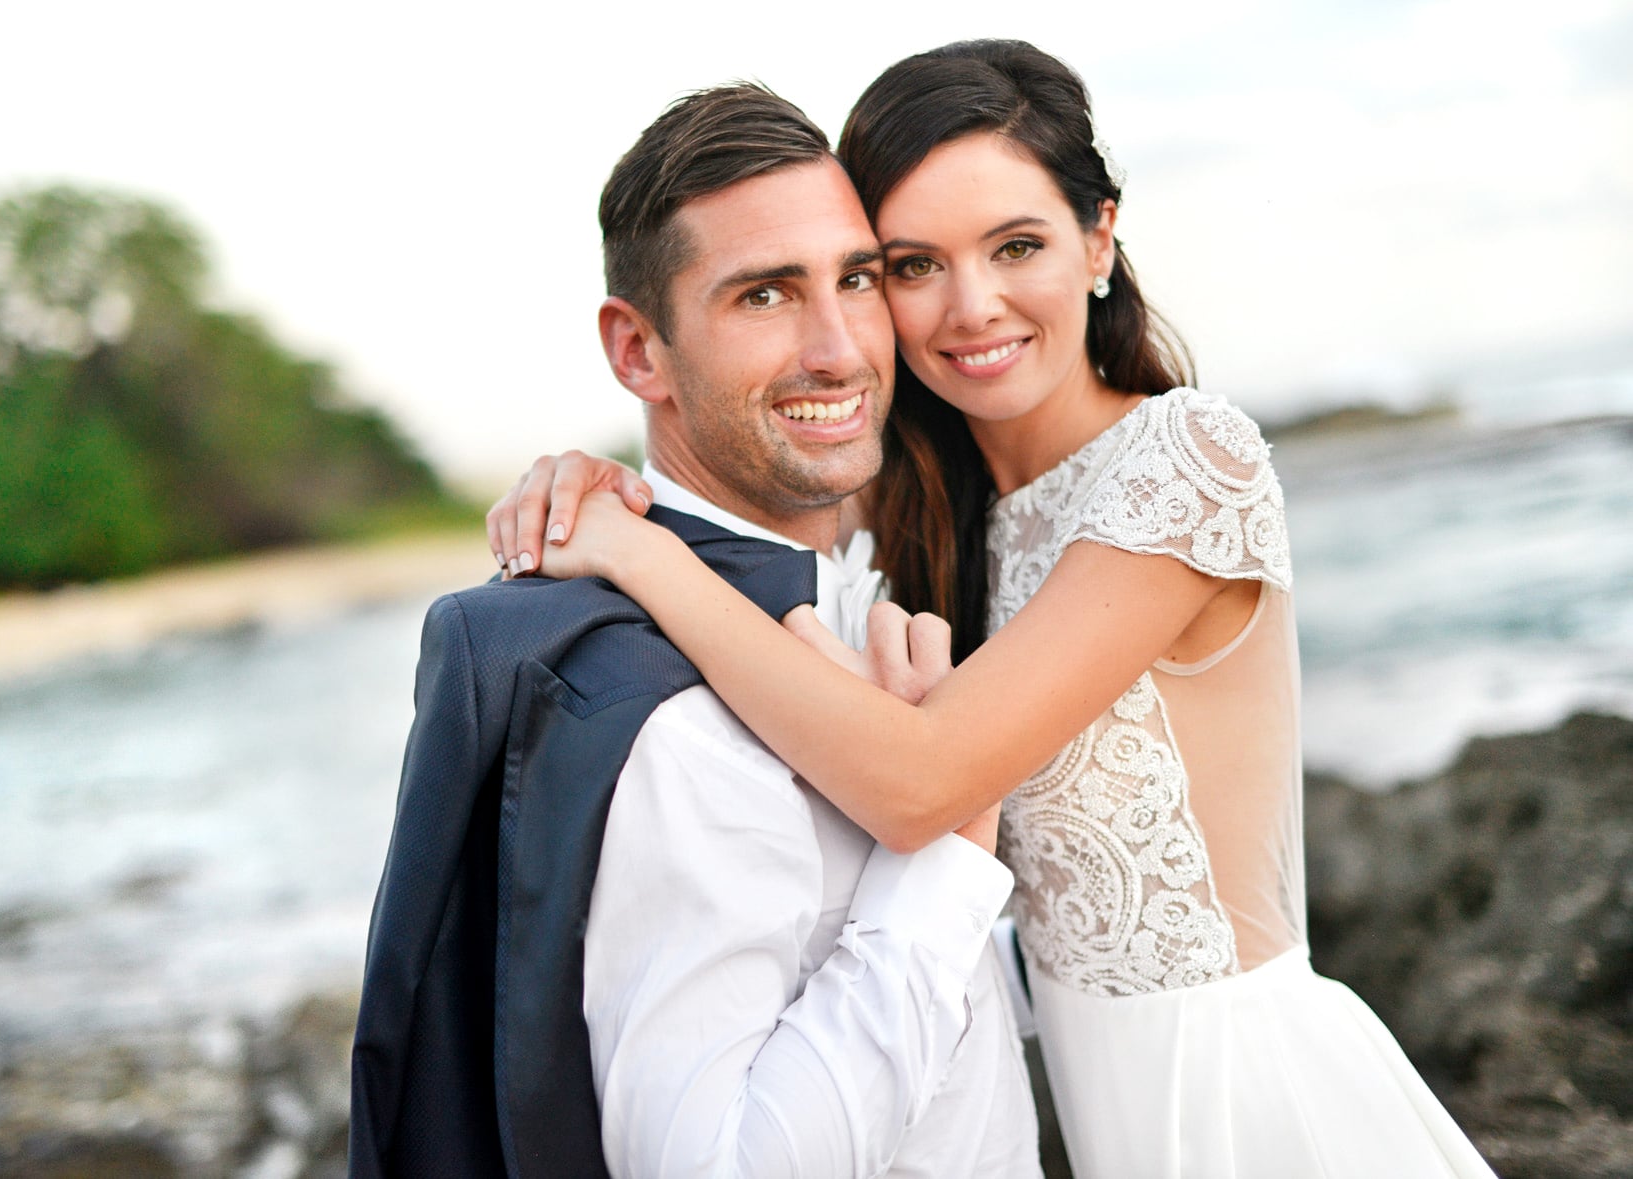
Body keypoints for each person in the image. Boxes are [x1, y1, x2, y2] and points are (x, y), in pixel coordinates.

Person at [490, 40, 1498, 1178]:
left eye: (1015, 245)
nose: (970, 309)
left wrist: (637, 555)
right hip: (1098, 1111)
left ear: (1098, 239)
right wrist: (595, 480)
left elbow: (922, 783)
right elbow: (746, 458)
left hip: (1244, 1099)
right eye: (911, 266)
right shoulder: (936, 499)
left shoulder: (1183, 462)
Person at [350, 82, 1041, 1178]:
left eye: (855, 279)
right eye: (764, 295)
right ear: (638, 353)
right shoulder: (680, 725)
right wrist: (945, 863)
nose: (838, 348)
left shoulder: (866, 563)